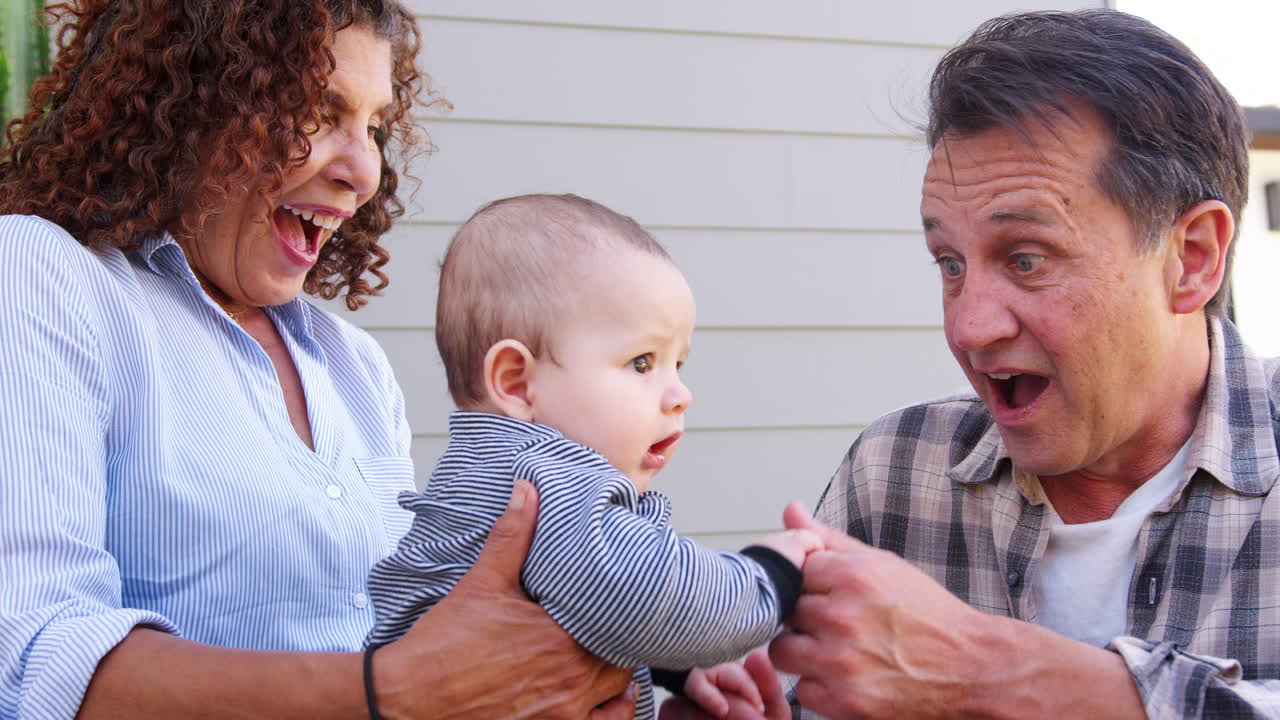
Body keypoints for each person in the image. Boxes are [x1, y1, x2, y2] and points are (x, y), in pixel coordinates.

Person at [0, 1, 636, 718]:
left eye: (375, 127)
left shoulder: (353, 367)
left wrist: (623, 678)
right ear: (189, 103)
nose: (363, 172)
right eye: (315, 111)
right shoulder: (45, 275)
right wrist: (388, 692)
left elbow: (415, 639)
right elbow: (32, 658)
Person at [766, 9, 1280, 719]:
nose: (969, 326)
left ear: (1190, 258)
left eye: (1026, 258)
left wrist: (994, 677)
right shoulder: (893, 473)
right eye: (949, 263)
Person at [366, 193, 820, 720]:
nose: (680, 394)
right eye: (642, 362)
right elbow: (651, 592)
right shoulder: (542, 482)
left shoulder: (483, 473)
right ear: (516, 381)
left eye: (678, 363)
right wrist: (773, 574)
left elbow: (572, 605)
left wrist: (673, 667)